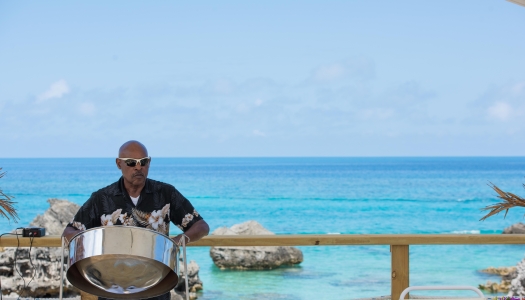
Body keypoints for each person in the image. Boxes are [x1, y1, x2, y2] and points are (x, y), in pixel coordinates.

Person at [62, 140, 209, 300]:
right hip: (112, 288)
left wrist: (178, 241)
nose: (138, 167)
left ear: (149, 162)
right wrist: (88, 243)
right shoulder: (102, 198)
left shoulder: (166, 194)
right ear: (119, 164)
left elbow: (201, 226)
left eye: (143, 162)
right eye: (131, 163)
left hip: (153, 286)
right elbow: (69, 232)